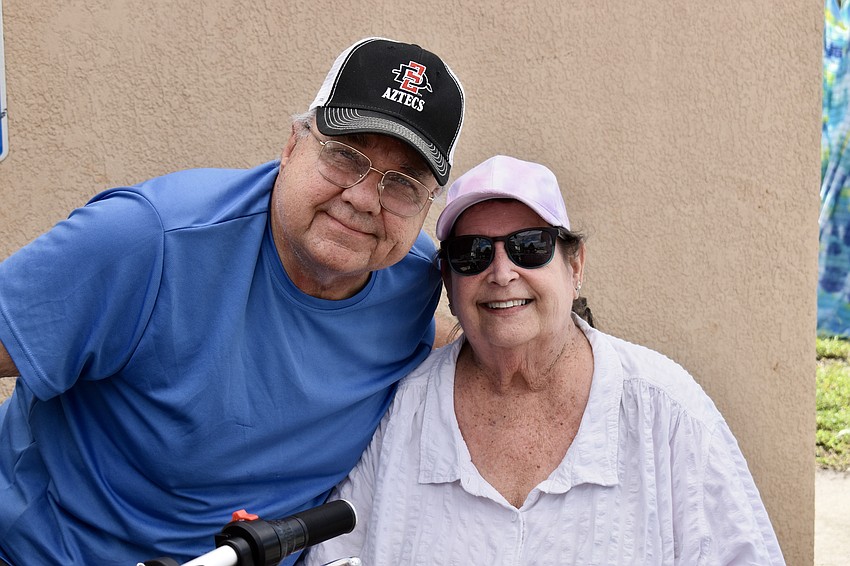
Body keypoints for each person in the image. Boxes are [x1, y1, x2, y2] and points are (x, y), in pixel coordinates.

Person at [0, 37, 465, 565]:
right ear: (292, 145)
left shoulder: (411, 283)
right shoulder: (149, 242)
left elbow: (455, 336)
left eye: (402, 184)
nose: (362, 198)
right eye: (343, 156)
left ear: (426, 207)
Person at [303, 155, 786, 565]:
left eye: (528, 246)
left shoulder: (666, 409)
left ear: (574, 266)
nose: (501, 272)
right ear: (449, 283)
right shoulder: (400, 411)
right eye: (471, 254)